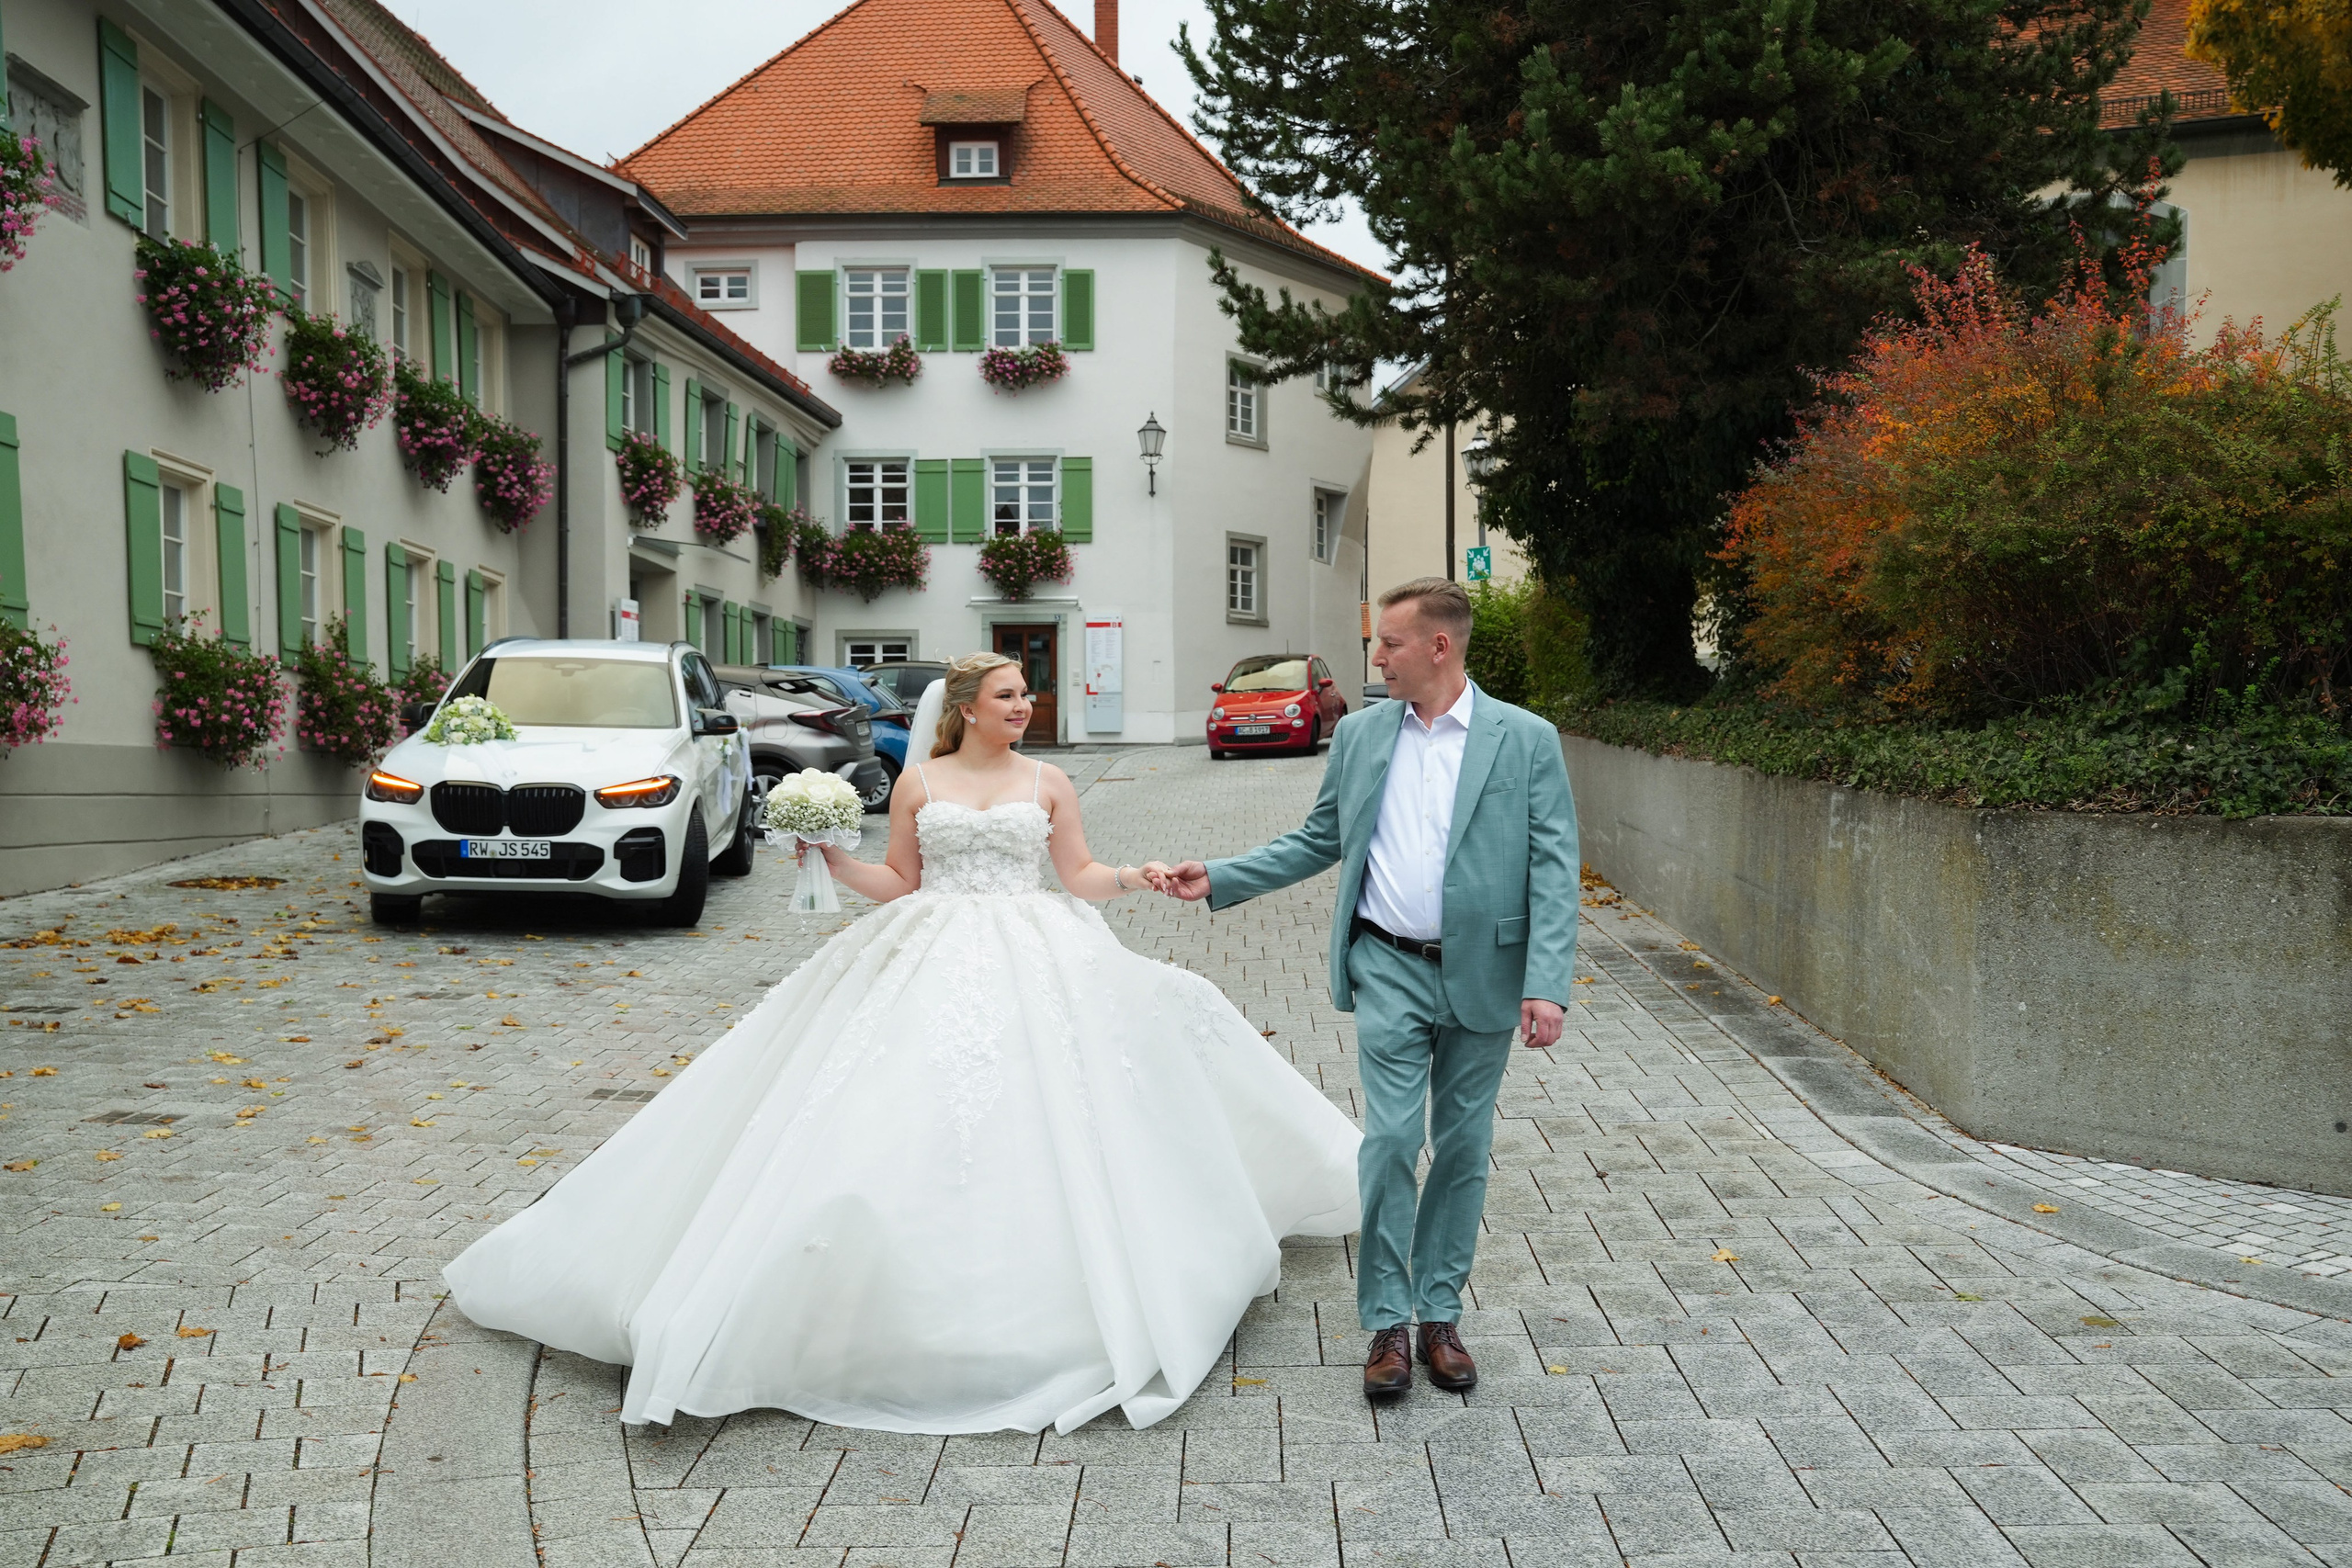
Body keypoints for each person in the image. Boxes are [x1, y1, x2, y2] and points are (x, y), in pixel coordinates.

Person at [443, 652, 1361, 1435]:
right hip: (929, 941)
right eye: (1007, 695)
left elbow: (1077, 873)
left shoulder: (1048, 781)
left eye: (1025, 695)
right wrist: (833, 859)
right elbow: (900, 880)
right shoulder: (919, 782)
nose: (1024, 705)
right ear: (967, 708)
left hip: (1037, 943)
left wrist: (1137, 874)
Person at [1164, 577, 1577, 1398]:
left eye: (1389, 642)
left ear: (1438, 646)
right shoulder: (1359, 734)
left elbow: (1554, 865)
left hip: (1486, 970)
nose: (1376, 656)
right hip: (1387, 962)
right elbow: (1321, 837)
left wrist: (1547, 983)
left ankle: (1439, 1315)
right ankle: (1388, 1320)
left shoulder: (1525, 738)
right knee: (1389, 1139)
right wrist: (1221, 875)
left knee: (1462, 1145)